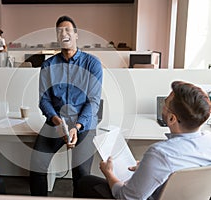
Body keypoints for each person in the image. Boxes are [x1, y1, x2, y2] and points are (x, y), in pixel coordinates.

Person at [76, 81, 211, 199]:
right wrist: (148, 168)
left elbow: (126, 197)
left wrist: (109, 173)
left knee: (85, 182)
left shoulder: (160, 153)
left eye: (166, 103)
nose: (163, 105)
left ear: (171, 119)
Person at [29, 15, 103, 197]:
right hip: (56, 122)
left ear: (76, 35)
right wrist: (56, 121)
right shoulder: (48, 65)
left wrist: (77, 127)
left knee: (81, 174)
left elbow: (93, 101)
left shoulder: (92, 64)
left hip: (83, 124)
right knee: (37, 166)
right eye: (59, 31)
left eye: (68, 30)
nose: (64, 34)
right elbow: (44, 99)